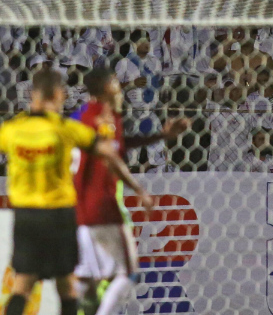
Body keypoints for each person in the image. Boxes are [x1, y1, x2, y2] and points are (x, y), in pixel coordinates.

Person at [0, 69, 153, 315]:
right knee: (67, 288)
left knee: (22, 287)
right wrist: (138, 187)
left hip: (27, 216)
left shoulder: (15, 129)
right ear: (59, 95)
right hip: (60, 215)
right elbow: (107, 152)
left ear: (32, 96)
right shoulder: (64, 128)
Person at [73, 67, 189, 315]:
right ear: (106, 89)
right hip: (101, 207)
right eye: (116, 85)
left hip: (87, 208)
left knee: (92, 278)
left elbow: (120, 144)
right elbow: (111, 155)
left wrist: (160, 135)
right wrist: (139, 189)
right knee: (127, 272)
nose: (121, 92)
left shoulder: (102, 118)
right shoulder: (94, 117)